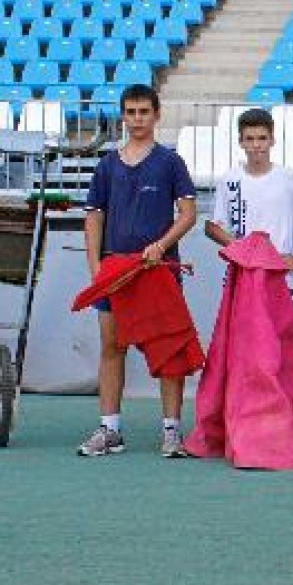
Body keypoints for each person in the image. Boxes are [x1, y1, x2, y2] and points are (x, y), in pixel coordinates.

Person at [77, 84, 198, 457]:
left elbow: (189, 214)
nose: (137, 119)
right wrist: (97, 267)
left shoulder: (170, 162)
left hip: (158, 271)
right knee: (112, 347)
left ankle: (172, 432)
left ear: (157, 115)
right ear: (123, 116)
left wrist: (161, 245)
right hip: (116, 272)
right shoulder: (107, 165)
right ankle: (110, 429)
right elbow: (94, 216)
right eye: (130, 112)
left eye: (144, 112)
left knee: (168, 349)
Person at [205, 107, 293, 307]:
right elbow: (211, 227)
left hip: (280, 280)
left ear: (272, 140)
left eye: (262, 138)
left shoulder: (289, 178)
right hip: (241, 279)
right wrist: (242, 250)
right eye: (249, 139)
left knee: (282, 338)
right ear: (240, 142)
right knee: (239, 339)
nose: (256, 145)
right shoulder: (229, 179)